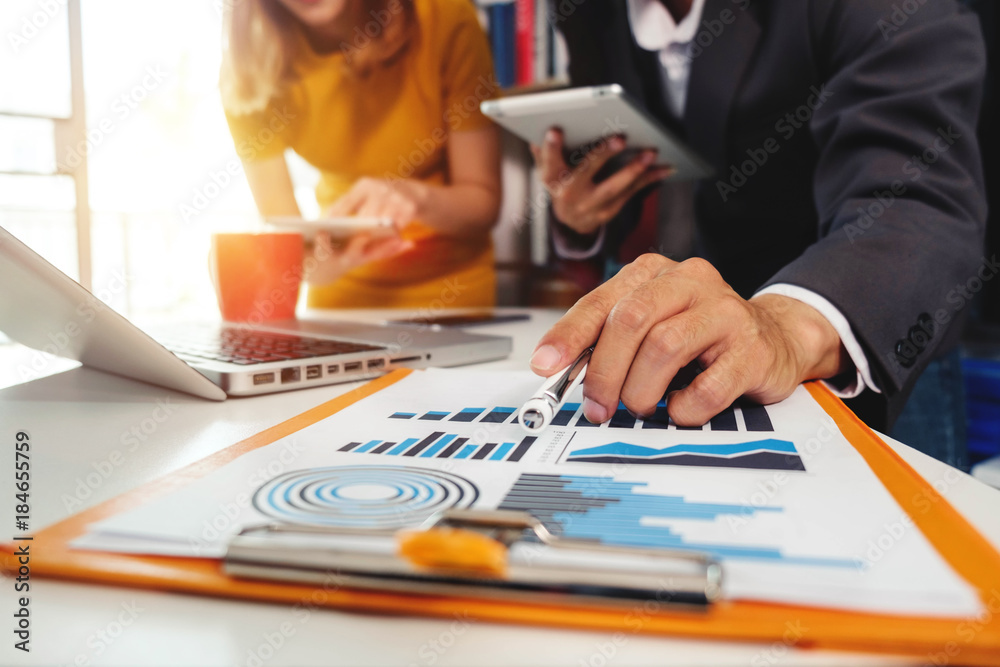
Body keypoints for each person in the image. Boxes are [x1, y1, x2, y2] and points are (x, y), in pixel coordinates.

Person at [529, 0, 988, 467]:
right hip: (698, 352)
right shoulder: (585, 11)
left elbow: (916, 202)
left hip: (867, 337)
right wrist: (579, 218)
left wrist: (784, 329)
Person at [220, 0, 502, 309]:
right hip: (338, 302)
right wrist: (318, 268)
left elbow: (483, 204)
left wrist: (417, 198)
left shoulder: (444, 15)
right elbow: (288, 241)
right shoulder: (248, 73)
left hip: (452, 299)